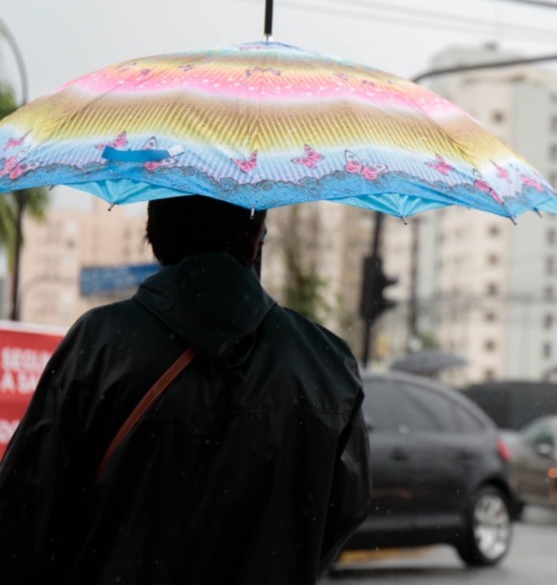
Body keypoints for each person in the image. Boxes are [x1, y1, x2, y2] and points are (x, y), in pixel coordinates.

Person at [0, 195, 371, 584]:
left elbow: (25, 507)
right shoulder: (326, 362)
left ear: (154, 236)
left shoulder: (99, 344)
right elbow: (344, 509)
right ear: (256, 237)